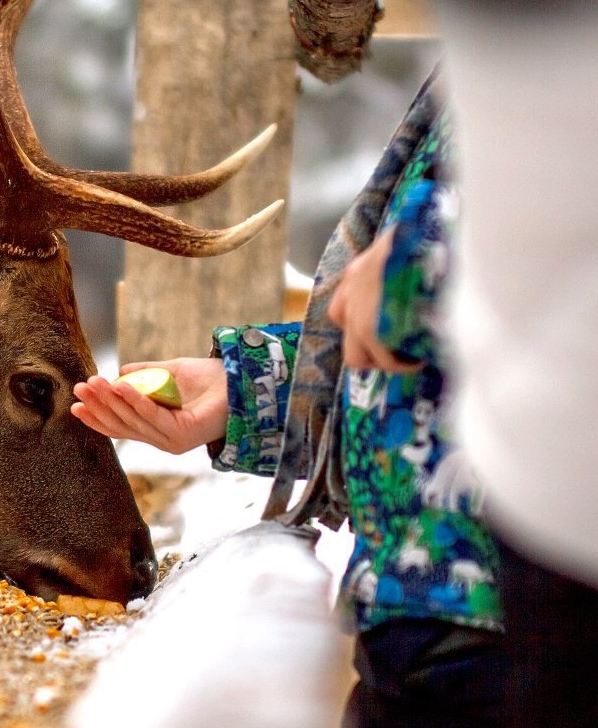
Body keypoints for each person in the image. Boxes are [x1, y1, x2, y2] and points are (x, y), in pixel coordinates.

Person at [73, 70, 508, 726]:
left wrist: (417, 256)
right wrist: (246, 388)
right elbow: (436, 363)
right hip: (425, 612)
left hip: (538, 632)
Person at [431, 1, 598, 725]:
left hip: (596, 541)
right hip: (531, 529)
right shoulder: (437, 111)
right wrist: (251, 388)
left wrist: (408, 269)